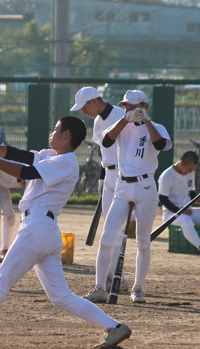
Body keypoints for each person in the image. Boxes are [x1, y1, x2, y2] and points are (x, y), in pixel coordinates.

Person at [0, 116, 131, 349]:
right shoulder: (51, 155)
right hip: (45, 230)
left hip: (37, 228)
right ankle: (115, 327)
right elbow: (20, 155)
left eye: (56, 129)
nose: (51, 133)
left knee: (0, 283)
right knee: (61, 296)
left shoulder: (66, 162)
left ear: (67, 135)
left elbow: (27, 172)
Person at [83, 90, 172, 304]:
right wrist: (125, 119)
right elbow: (106, 141)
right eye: (126, 106)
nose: (130, 110)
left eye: (134, 106)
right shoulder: (122, 126)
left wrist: (147, 122)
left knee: (143, 241)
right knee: (107, 236)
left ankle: (138, 288)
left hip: (145, 186)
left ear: (145, 106)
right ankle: (100, 287)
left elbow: (161, 145)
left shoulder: (157, 127)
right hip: (122, 186)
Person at [71, 86, 128, 291]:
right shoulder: (97, 122)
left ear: (93, 101)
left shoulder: (121, 115)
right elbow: (104, 153)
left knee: (118, 230)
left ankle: (116, 277)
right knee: (109, 228)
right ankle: (116, 278)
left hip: (124, 174)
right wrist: (102, 179)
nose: (83, 112)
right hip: (109, 174)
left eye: (84, 107)